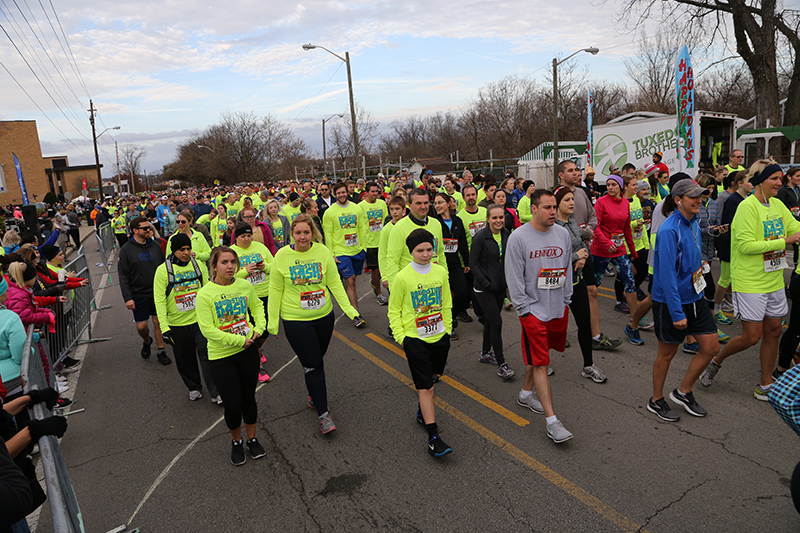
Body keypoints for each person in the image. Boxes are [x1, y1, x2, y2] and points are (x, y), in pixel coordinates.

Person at [701, 161, 800, 400]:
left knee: (774, 331)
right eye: (774, 178)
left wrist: (793, 235)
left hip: (774, 279)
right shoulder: (747, 208)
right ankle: (716, 360)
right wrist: (785, 241)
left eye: (780, 178)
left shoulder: (777, 204)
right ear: (760, 181)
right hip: (750, 281)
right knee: (751, 337)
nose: (779, 182)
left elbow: (795, 227)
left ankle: (765, 384)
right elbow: (745, 246)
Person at [268, 215, 363, 434]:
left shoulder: (322, 252)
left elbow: (334, 283)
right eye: (298, 232)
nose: (302, 237)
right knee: (314, 364)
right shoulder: (282, 256)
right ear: (292, 234)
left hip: (324, 317)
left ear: (313, 233)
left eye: (306, 232)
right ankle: (324, 414)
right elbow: (275, 291)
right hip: (296, 320)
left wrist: (350, 310)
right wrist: (272, 324)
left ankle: (313, 393)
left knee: (316, 360)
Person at [505, 189, 574, 444]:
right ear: (533, 209)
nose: (553, 212)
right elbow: (514, 276)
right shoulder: (518, 238)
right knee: (542, 363)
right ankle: (552, 422)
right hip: (532, 310)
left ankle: (525, 393)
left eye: (554, 207)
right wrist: (524, 309)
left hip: (557, 308)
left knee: (540, 355)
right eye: (547, 207)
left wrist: (566, 299)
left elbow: (566, 267)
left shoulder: (563, 234)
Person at [648, 180, 720, 421]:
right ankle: (656, 400)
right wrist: (677, 313)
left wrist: (699, 265)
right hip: (671, 302)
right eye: (693, 197)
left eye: (700, 195)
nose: (699, 200)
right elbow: (666, 275)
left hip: (695, 296)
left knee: (711, 347)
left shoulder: (695, 222)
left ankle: (683, 391)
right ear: (678, 200)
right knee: (667, 353)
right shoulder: (668, 230)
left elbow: (689, 256)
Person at [196, 247, 266, 466]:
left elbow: (257, 308)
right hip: (222, 356)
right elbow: (207, 329)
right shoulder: (205, 293)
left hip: (248, 353)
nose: (230, 267)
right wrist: (238, 340)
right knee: (233, 404)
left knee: (249, 399)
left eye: (233, 262)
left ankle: (252, 439)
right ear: (214, 266)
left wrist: (259, 329)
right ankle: (236, 441)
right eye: (224, 262)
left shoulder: (244, 285)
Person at [388, 228, 454, 457]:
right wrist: (402, 338)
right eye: (420, 250)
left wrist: (448, 328)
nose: (425, 254)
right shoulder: (403, 277)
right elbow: (394, 310)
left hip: (439, 337)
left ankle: (421, 411)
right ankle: (434, 438)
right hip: (415, 339)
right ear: (411, 252)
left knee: (433, 379)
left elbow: (446, 301)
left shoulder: (440, 272)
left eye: (429, 249)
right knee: (426, 388)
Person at [154, 233, 220, 403]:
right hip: (177, 324)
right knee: (185, 359)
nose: (186, 252)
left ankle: (215, 391)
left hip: (200, 321)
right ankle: (194, 387)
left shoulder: (198, 265)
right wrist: (164, 328)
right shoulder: (163, 271)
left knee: (208, 356)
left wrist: (215, 317)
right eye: (182, 249)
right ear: (174, 250)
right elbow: (159, 301)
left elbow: (208, 291)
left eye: (188, 249)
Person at [554, 187, 608, 383]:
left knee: (584, 323)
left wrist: (582, 257)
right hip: (556, 284)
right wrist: (577, 256)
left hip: (576, 281)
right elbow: (555, 258)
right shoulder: (552, 228)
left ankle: (588, 365)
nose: (571, 203)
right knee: (551, 327)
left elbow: (581, 245)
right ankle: (541, 364)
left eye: (572, 199)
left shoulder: (573, 222)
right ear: (557, 203)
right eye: (567, 200)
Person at [591, 174, 643, 346]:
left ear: (621, 187)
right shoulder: (601, 202)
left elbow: (627, 228)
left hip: (619, 249)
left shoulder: (625, 204)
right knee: (593, 286)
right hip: (601, 250)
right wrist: (606, 243)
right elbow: (595, 227)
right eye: (608, 184)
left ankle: (634, 324)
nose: (610, 187)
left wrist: (633, 251)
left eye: (613, 184)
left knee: (630, 283)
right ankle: (586, 320)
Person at [470, 204, 515, 379]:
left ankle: (484, 354)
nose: (498, 221)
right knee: (496, 323)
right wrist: (486, 283)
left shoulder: (506, 234)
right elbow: (473, 264)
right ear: (487, 219)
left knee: (490, 321)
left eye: (501, 217)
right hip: (483, 289)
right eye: (494, 218)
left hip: (500, 287)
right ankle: (502, 363)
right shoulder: (480, 238)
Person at [118, 216, 171, 365]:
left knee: (158, 322)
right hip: (138, 294)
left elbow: (164, 268)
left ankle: (161, 351)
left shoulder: (155, 246)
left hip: (157, 293)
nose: (149, 230)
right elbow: (123, 276)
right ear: (135, 230)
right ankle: (147, 341)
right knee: (141, 326)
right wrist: (127, 297)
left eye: (149, 227)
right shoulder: (126, 250)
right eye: (145, 228)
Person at [230, 223, 274, 383]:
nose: (247, 239)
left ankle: (257, 349)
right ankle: (257, 366)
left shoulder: (260, 248)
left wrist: (265, 266)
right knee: (252, 330)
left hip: (265, 293)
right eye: (243, 236)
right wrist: (244, 271)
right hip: (245, 298)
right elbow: (229, 276)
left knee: (267, 329)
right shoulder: (232, 252)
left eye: (249, 236)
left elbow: (274, 266)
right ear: (236, 237)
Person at [322, 182, 368, 327]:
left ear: (347, 192)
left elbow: (362, 227)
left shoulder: (356, 208)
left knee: (351, 283)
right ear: (334, 194)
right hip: (341, 252)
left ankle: (351, 305)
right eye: (339, 193)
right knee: (351, 280)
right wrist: (331, 254)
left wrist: (363, 248)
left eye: (343, 192)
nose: (342, 195)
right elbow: (327, 234)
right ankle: (356, 314)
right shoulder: (330, 212)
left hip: (357, 251)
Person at [432, 192, 469, 338]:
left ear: (449, 203)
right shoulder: (434, 223)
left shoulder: (458, 221)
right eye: (435, 203)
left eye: (440, 202)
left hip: (454, 265)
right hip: (439, 266)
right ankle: (447, 324)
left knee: (463, 294)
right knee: (443, 298)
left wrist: (466, 262)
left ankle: (452, 317)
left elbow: (463, 244)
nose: (438, 206)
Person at [361, 182, 389, 306]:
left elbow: (387, 221)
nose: (375, 193)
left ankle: (375, 282)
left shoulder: (382, 204)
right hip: (370, 243)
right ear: (366, 193)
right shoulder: (360, 207)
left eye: (376, 191)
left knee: (386, 269)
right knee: (375, 269)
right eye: (372, 191)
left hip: (383, 241)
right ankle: (379, 293)